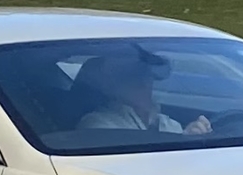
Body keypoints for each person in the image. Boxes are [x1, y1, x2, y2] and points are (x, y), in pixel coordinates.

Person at [75, 48, 211, 135]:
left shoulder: (168, 124)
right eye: (130, 74)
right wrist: (183, 141)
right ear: (110, 84)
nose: (143, 80)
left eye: (146, 72)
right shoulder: (98, 124)